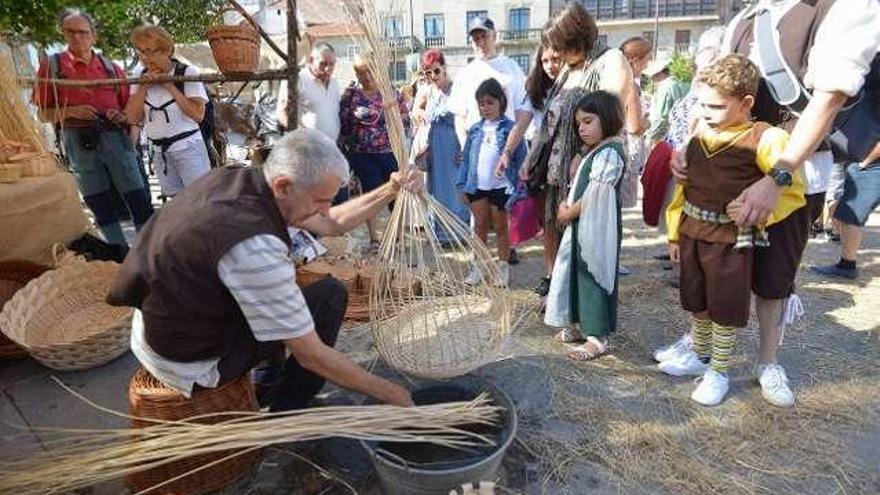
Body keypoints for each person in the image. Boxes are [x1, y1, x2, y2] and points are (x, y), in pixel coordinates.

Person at [107, 129, 417, 411]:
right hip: (190, 359)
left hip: (160, 324)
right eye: (320, 200)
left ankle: (270, 375)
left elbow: (331, 223)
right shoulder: (255, 247)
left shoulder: (238, 180)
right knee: (329, 297)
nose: (324, 210)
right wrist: (391, 393)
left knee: (293, 299)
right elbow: (312, 355)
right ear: (284, 185)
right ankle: (287, 410)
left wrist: (389, 189)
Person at [667, 0, 880, 408]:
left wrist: (777, 178)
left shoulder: (842, 6)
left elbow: (829, 98)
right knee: (713, 275)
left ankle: (766, 361)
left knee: (773, 277)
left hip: (789, 162)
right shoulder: (749, 15)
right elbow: (715, 89)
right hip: (725, 164)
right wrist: (689, 149)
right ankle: (703, 350)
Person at [663, 55, 801, 406]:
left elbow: (791, 189)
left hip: (729, 239)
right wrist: (675, 232)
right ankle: (701, 353)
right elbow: (685, 189)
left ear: (747, 103)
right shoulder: (700, 134)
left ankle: (719, 370)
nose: (706, 112)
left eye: (716, 106)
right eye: (702, 103)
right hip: (695, 232)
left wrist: (757, 216)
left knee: (724, 304)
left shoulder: (767, 139)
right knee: (697, 299)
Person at [521, 3, 632, 298]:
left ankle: (584, 305)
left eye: (560, 45)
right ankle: (556, 286)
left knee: (584, 235)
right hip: (557, 168)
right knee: (554, 225)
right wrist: (532, 157)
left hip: (587, 168)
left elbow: (609, 115)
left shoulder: (611, 60)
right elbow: (550, 119)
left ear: (576, 37)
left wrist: (583, 153)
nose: (556, 54)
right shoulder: (569, 70)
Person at [32, 8, 153, 247]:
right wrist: (69, 112)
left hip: (115, 137)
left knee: (138, 198)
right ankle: (119, 255)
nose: (77, 38)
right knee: (99, 204)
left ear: (93, 36)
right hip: (78, 140)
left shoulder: (111, 68)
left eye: (83, 32)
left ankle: (151, 250)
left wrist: (122, 119)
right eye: (71, 32)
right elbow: (41, 113)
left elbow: (129, 110)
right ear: (63, 34)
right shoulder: (52, 67)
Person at [544, 91, 626, 361]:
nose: (582, 128)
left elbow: (595, 195)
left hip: (595, 227)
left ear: (608, 118)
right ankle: (580, 325)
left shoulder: (610, 154)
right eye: (579, 123)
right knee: (575, 273)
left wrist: (569, 212)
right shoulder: (597, 151)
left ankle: (597, 336)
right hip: (582, 225)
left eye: (588, 121)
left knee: (593, 276)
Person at [448, 15, 534, 265]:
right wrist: (466, 148)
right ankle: (480, 264)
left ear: (494, 35)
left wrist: (517, 147)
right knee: (479, 216)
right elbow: (460, 116)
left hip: (507, 145)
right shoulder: (466, 73)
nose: (479, 41)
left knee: (504, 207)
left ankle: (505, 256)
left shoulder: (511, 68)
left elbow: (521, 111)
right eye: (475, 37)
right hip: (477, 149)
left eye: (483, 35)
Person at [124, 25, 211, 198]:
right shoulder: (139, 74)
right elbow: (132, 117)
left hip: (188, 148)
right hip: (158, 150)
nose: (145, 58)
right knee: (176, 200)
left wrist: (170, 86)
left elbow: (198, 115)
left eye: (150, 51)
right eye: (140, 52)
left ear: (166, 50)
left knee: (201, 198)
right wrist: (143, 88)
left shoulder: (186, 72)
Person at [456, 78, 527, 287]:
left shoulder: (510, 128)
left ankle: (502, 268)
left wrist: (522, 183)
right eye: (481, 103)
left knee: (500, 227)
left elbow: (521, 156)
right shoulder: (475, 130)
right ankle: (479, 267)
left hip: (501, 186)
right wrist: (462, 185)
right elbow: (467, 158)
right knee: (479, 226)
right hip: (478, 186)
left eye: (490, 102)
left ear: (501, 102)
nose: (485, 107)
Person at [338, 54, 411, 251]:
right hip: (363, 153)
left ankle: (397, 236)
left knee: (395, 194)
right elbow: (344, 125)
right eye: (360, 73)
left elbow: (405, 122)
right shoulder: (353, 96)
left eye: (369, 71)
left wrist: (392, 114)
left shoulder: (390, 93)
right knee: (372, 195)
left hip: (389, 152)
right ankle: (374, 240)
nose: (366, 76)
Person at [414, 49, 470, 244]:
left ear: (444, 68)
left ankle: (458, 234)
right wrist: (419, 115)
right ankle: (439, 234)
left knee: (454, 191)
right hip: (435, 150)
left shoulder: (457, 90)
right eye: (427, 72)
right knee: (436, 191)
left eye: (436, 71)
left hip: (453, 147)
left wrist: (465, 149)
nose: (433, 76)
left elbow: (467, 121)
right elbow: (416, 109)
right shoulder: (429, 92)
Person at [810, 143, 880, 279]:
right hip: (854, 159)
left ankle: (847, 265)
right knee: (846, 212)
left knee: (851, 213)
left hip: (870, 165)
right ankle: (846, 263)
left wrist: (864, 163)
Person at [276, 43, 341, 141]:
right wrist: (301, 134)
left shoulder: (334, 82)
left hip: (332, 148)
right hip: (307, 148)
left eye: (331, 64)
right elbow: (281, 113)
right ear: (311, 60)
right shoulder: (296, 80)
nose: (327, 69)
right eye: (323, 64)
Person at [619, 36, 652, 209]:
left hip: (623, 151)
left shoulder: (619, 80)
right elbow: (635, 126)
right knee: (622, 206)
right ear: (635, 60)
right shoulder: (630, 85)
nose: (648, 64)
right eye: (647, 59)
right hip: (629, 152)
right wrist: (648, 122)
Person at [643, 53, 690, 145]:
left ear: (659, 74)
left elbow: (661, 117)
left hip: (669, 134)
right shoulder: (680, 84)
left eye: (653, 77)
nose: (652, 80)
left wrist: (649, 136)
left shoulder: (666, 87)